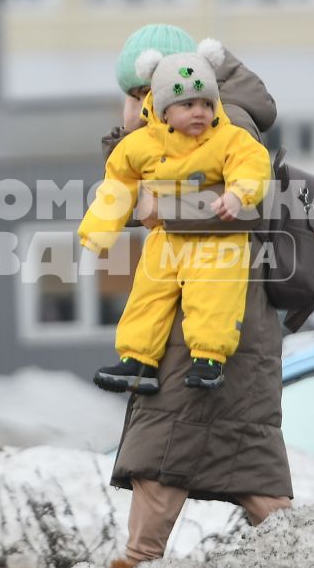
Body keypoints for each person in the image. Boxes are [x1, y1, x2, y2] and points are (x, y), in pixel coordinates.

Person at [99, 25, 293, 568]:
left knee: (170, 445)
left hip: (218, 320)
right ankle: (303, 561)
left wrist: (163, 205)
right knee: (235, 454)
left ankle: (138, 564)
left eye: (138, 96)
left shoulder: (224, 120)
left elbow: (244, 205)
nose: (139, 108)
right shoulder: (188, 119)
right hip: (206, 317)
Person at [78, 44, 269, 394]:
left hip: (217, 239)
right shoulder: (141, 145)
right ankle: (137, 359)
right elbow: (118, 182)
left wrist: (237, 193)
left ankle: (209, 358)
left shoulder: (228, 137)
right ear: (164, 110)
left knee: (213, 295)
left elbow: (252, 164)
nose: (199, 112)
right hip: (166, 239)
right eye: (187, 103)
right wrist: (98, 230)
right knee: (148, 294)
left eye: (206, 103)